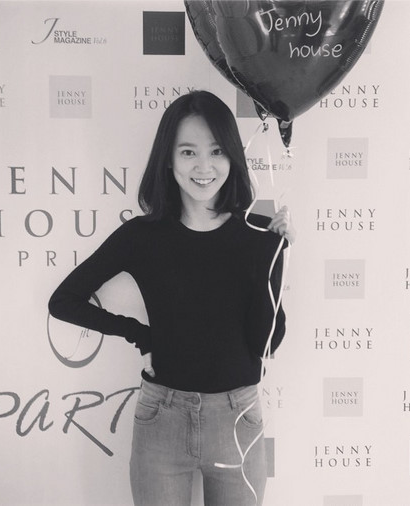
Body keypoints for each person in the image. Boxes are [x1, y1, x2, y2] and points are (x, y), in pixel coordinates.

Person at [49, 90, 295, 506]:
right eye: (188, 152)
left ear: (232, 156)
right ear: (168, 158)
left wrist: (273, 255)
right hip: (162, 419)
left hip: (237, 417)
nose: (204, 166)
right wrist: (139, 334)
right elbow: (64, 300)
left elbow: (267, 343)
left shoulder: (258, 234)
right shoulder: (141, 236)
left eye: (216, 151)